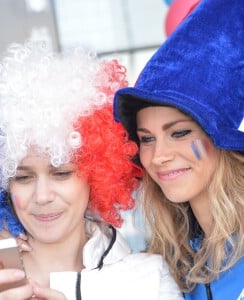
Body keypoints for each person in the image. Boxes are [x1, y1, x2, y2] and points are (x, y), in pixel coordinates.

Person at [0, 41, 183, 299]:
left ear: (97, 174)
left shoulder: (147, 279)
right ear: (1, 183)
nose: (43, 195)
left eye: (61, 173)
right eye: (23, 177)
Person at [113, 0, 244, 299]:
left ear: (222, 140)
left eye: (180, 133)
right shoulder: (163, 267)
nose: (159, 156)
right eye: (146, 139)